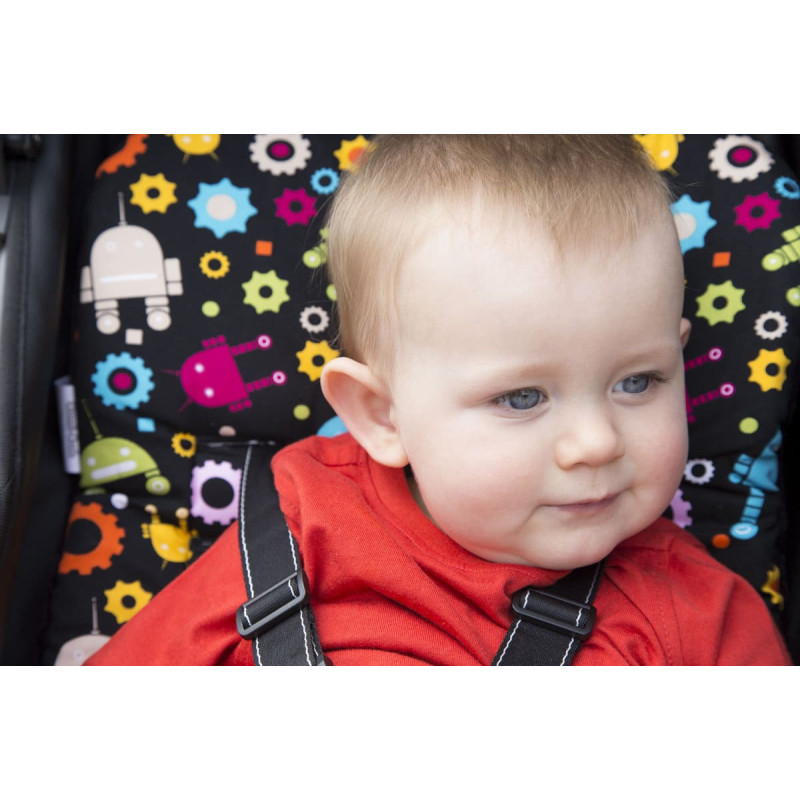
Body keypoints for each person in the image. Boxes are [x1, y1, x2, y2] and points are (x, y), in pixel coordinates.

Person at [87, 135, 791, 665]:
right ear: (381, 415)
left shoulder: (704, 622)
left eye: (637, 382)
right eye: (521, 396)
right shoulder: (300, 524)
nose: (597, 443)